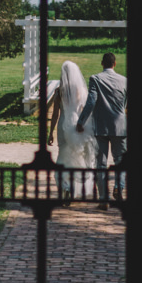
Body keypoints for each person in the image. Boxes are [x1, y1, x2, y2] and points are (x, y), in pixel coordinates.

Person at [77, 52, 128, 210]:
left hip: (101, 127)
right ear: (115, 64)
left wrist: (81, 121)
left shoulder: (96, 79)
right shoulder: (125, 80)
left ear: (102, 63)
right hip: (120, 126)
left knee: (101, 163)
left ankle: (103, 198)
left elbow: (91, 101)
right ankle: (119, 187)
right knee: (120, 160)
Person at [47, 61, 97, 204]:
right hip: (76, 124)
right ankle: (72, 187)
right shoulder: (80, 90)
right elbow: (85, 110)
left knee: (63, 156)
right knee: (76, 157)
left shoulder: (59, 91)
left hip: (63, 125)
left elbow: (55, 114)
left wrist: (50, 133)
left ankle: (65, 186)